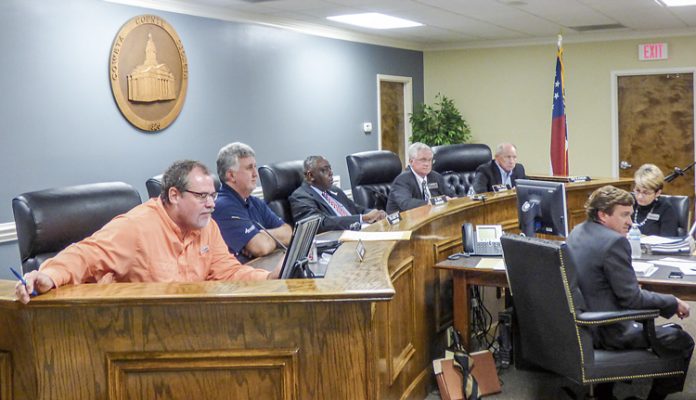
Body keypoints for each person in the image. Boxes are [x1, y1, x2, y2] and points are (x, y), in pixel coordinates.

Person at [15, 160, 280, 304]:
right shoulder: (136, 227)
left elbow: (229, 272)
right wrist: (49, 275)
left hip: (190, 325)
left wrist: (268, 278)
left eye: (213, 195)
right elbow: (86, 254)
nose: (212, 204)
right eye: (202, 196)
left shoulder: (206, 225)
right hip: (137, 335)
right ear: (174, 195)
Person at [566, 185, 693, 400]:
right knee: (680, 339)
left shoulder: (578, 231)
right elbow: (632, 298)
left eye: (631, 215)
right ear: (603, 215)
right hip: (609, 331)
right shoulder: (614, 242)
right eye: (624, 215)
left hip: (581, 326)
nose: (631, 222)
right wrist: (672, 301)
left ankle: (604, 390)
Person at [213, 142, 291, 262]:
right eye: (249, 168)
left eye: (255, 167)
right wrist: (272, 240)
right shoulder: (223, 206)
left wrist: (261, 233)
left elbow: (288, 232)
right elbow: (261, 247)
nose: (256, 174)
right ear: (231, 175)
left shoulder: (255, 202)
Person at [289, 155, 386, 233]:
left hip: (359, 233)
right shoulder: (300, 197)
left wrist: (375, 213)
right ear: (311, 176)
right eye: (325, 170)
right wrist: (363, 218)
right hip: (337, 243)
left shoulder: (335, 190)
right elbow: (319, 224)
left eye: (330, 168)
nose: (331, 173)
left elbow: (357, 209)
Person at [385, 142, 455, 214]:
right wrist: (433, 202)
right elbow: (406, 203)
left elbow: (451, 196)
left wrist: (453, 200)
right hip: (405, 222)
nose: (427, 164)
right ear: (411, 161)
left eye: (430, 160)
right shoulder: (401, 180)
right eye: (423, 160)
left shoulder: (436, 177)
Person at [633, 163, 678, 237]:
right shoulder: (629, 203)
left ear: (658, 193)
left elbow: (667, 240)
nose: (640, 196)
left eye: (646, 193)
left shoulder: (665, 209)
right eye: (637, 190)